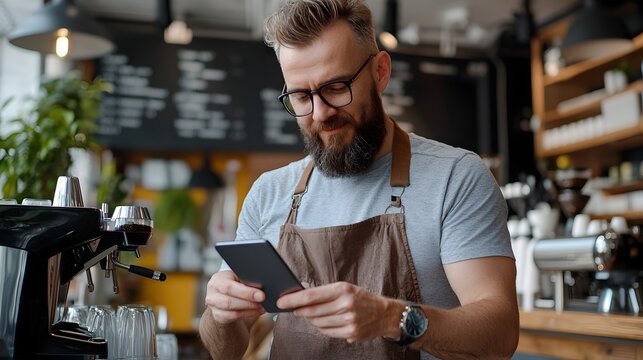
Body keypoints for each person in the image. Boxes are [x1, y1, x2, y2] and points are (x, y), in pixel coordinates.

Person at [199, 0, 519, 358]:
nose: (321, 113)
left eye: (336, 87)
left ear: (380, 72)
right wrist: (220, 316)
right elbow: (224, 351)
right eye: (302, 96)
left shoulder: (456, 178)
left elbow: (500, 335)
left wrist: (391, 317)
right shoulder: (268, 194)